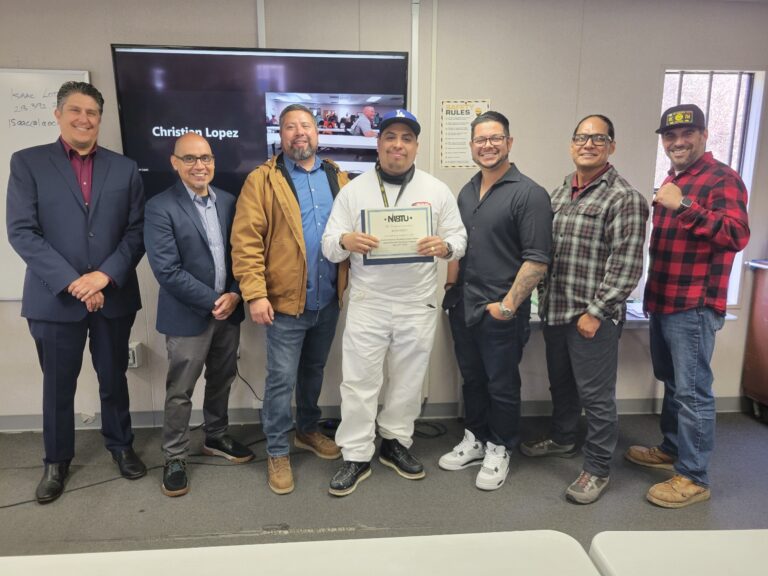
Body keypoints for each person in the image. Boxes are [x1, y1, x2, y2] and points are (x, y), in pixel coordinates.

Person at [6, 81, 146, 504]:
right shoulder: (28, 163)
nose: (84, 119)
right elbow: (22, 233)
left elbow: (136, 232)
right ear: (58, 114)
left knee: (112, 378)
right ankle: (56, 461)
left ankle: (121, 447)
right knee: (57, 385)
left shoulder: (124, 168)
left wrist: (103, 277)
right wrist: (75, 282)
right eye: (76, 111)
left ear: (100, 119)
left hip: (113, 295)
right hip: (54, 299)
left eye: (92, 113)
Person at [322, 109, 467, 496]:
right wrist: (345, 242)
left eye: (406, 138)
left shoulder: (437, 191)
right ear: (378, 142)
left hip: (416, 301)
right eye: (390, 137)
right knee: (358, 381)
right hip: (370, 300)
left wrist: (446, 245)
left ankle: (395, 443)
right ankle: (354, 453)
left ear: (416, 146)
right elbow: (328, 245)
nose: (397, 145)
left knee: (407, 380)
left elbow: (459, 238)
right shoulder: (353, 191)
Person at [625, 104, 750, 508]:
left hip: (695, 304)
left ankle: (694, 477)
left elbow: (736, 234)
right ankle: (672, 449)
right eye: (669, 136)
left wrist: (684, 206)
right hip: (664, 300)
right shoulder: (675, 178)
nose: (678, 142)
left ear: (704, 134)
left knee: (693, 391)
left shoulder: (721, 178)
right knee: (674, 383)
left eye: (687, 134)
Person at [520, 115, 648, 504]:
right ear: (572, 144)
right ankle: (562, 439)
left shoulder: (625, 199)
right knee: (561, 385)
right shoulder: (560, 194)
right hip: (557, 312)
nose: (588, 144)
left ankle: (596, 469)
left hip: (592, 317)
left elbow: (627, 266)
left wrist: (596, 312)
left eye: (598, 138)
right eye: (581, 137)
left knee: (596, 397)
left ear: (612, 146)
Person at [231, 103, 350, 495]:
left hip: (327, 301)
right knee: (281, 380)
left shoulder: (338, 176)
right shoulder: (262, 180)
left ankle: (308, 430)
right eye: (290, 127)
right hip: (282, 304)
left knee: (313, 371)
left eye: (307, 126)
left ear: (318, 132)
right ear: (279, 136)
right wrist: (255, 294)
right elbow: (246, 241)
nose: (300, 133)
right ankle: (278, 450)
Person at [438, 111, 551, 491]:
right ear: (471, 146)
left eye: (495, 138)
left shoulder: (529, 193)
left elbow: (536, 260)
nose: (487, 145)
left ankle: (500, 447)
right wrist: (450, 289)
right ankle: (475, 438)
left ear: (509, 142)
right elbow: (459, 245)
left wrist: (507, 306)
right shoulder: (468, 189)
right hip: (464, 306)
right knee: (472, 380)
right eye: (480, 140)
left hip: (500, 312)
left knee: (501, 384)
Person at [144, 133, 253, 497]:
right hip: (189, 315)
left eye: (205, 158)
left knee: (222, 378)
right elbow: (167, 270)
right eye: (189, 159)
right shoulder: (160, 207)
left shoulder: (229, 201)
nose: (199, 165)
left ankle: (216, 436)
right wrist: (215, 299)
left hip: (229, 312)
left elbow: (243, 254)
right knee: (180, 390)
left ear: (214, 162)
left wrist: (235, 294)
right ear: (174, 163)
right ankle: (175, 455)